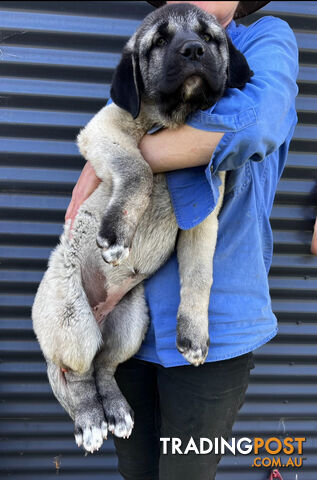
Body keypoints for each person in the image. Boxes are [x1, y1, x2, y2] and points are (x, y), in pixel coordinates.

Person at [65, 1, 299, 478]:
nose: (189, 48)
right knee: (137, 471)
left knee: (186, 473)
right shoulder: (148, 45)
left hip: (215, 329)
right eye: (170, 42)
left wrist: (116, 160)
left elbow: (255, 123)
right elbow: (109, 125)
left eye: (205, 41)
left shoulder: (265, 41)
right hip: (129, 322)